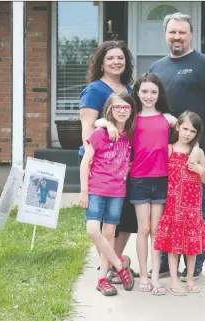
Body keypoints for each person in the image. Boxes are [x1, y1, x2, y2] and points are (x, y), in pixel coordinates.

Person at [149, 12, 205, 281]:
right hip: (165, 152)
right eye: (172, 32)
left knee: (195, 207)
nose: (177, 37)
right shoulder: (157, 68)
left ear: (191, 34)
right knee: (166, 205)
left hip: (196, 150)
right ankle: (164, 261)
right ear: (165, 34)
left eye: (182, 32)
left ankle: (196, 262)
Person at [95, 72, 182, 295]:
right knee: (143, 229)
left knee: (156, 230)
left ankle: (155, 277)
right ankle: (142, 275)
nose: (149, 96)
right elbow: (100, 120)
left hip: (162, 180)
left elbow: (191, 131)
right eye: (144, 91)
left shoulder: (168, 119)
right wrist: (108, 124)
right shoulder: (132, 120)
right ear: (137, 93)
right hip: (139, 180)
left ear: (159, 93)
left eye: (153, 91)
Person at [78, 40, 138, 279]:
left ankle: (112, 264)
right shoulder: (95, 90)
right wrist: (103, 125)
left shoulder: (129, 90)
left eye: (120, 58)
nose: (116, 62)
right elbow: (87, 129)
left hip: (124, 167)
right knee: (100, 222)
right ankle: (114, 265)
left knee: (122, 220)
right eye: (111, 58)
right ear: (101, 62)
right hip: (99, 166)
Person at [154, 111, 205, 296]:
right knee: (173, 245)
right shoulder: (168, 149)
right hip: (174, 204)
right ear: (177, 127)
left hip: (193, 205)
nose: (187, 134)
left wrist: (201, 170)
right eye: (185, 129)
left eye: (193, 131)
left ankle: (191, 278)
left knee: (192, 245)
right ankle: (174, 280)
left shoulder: (199, 152)